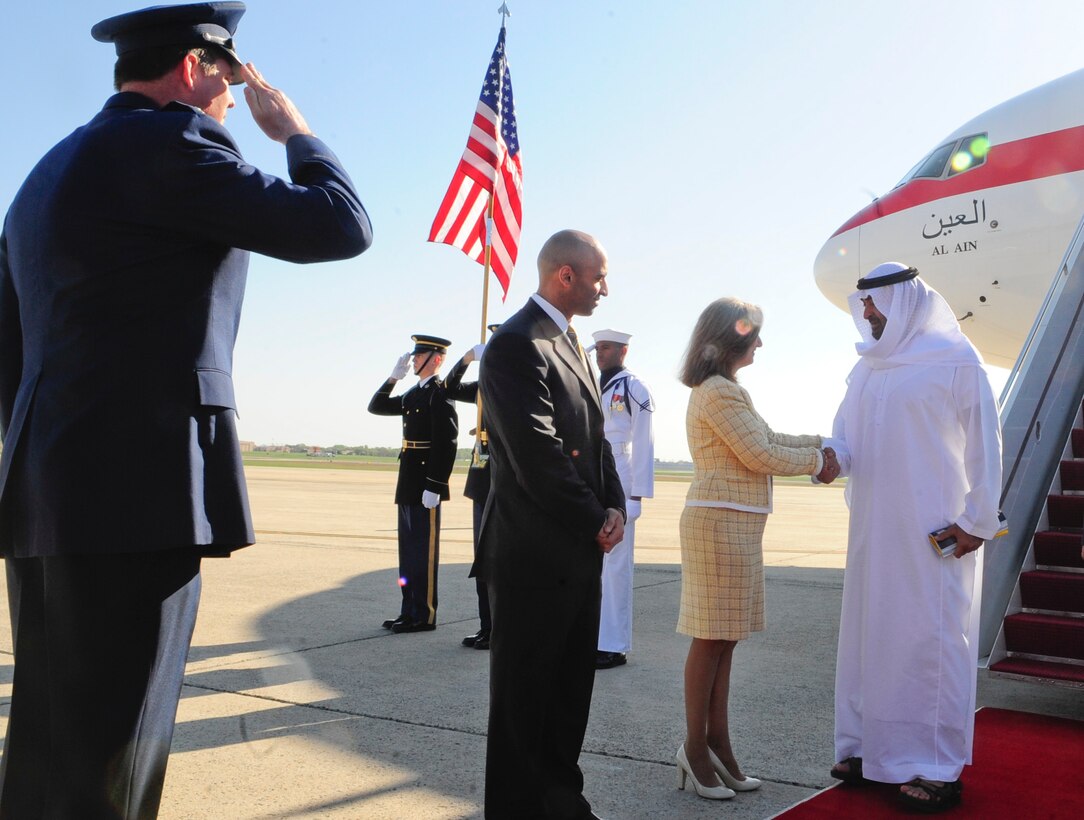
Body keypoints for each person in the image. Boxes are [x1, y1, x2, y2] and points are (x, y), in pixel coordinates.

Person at [0, 3, 372, 816]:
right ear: (199, 66)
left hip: (42, 497)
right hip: (138, 496)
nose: (240, 99)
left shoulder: (44, 174)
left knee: (48, 752)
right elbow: (340, 226)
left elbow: (12, 355)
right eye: (233, 80)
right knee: (117, 762)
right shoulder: (171, 144)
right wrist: (299, 134)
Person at [826, 262, 1002, 813]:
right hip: (873, 534)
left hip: (935, 534)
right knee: (870, 640)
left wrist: (977, 523)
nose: (868, 314)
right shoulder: (868, 369)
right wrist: (828, 459)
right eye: (865, 306)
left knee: (933, 646)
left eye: (876, 304)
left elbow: (986, 448)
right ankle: (867, 751)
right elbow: (845, 440)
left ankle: (938, 768)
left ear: (905, 302)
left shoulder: (955, 361)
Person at [475, 229, 625, 819]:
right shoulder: (516, 344)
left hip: (576, 554)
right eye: (598, 277)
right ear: (565, 275)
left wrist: (611, 505)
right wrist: (595, 520)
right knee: (524, 702)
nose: (603, 289)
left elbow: (595, 439)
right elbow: (536, 456)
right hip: (533, 559)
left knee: (567, 698)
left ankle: (562, 802)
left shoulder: (569, 342)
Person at [675, 297, 837, 801]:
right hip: (719, 526)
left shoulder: (728, 391)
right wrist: (818, 461)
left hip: (735, 526)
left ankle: (718, 742)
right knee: (710, 639)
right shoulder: (718, 392)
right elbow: (760, 453)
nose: (760, 344)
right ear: (731, 339)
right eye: (754, 336)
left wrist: (825, 442)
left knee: (726, 640)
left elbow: (766, 436)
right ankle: (695, 748)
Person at [368, 334, 459, 634]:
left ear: (436, 359)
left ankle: (425, 614)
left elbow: (447, 444)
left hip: (425, 484)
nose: (414, 360)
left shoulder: (440, 393)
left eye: (420, 356)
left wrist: (435, 485)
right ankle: (408, 610)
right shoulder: (413, 394)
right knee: (408, 553)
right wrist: (393, 378)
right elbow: (377, 407)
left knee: (424, 553)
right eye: (414, 356)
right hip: (408, 481)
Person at [590, 328, 655, 670]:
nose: (600, 353)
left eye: (607, 348)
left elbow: (644, 439)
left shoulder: (633, 387)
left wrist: (637, 495)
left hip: (620, 469)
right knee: (591, 564)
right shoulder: (591, 381)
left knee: (615, 566)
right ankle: (592, 637)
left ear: (623, 351)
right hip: (591, 471)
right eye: (598, 347)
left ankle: (613, 645)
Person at [444, 333, 494, 650]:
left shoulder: (519, 387)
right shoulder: (481, 390)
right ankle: (486, 626)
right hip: (481, 480)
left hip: (506, 481)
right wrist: (465, 360)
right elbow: (448, 388)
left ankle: (502, 627)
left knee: (502, 561)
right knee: (482, 561)